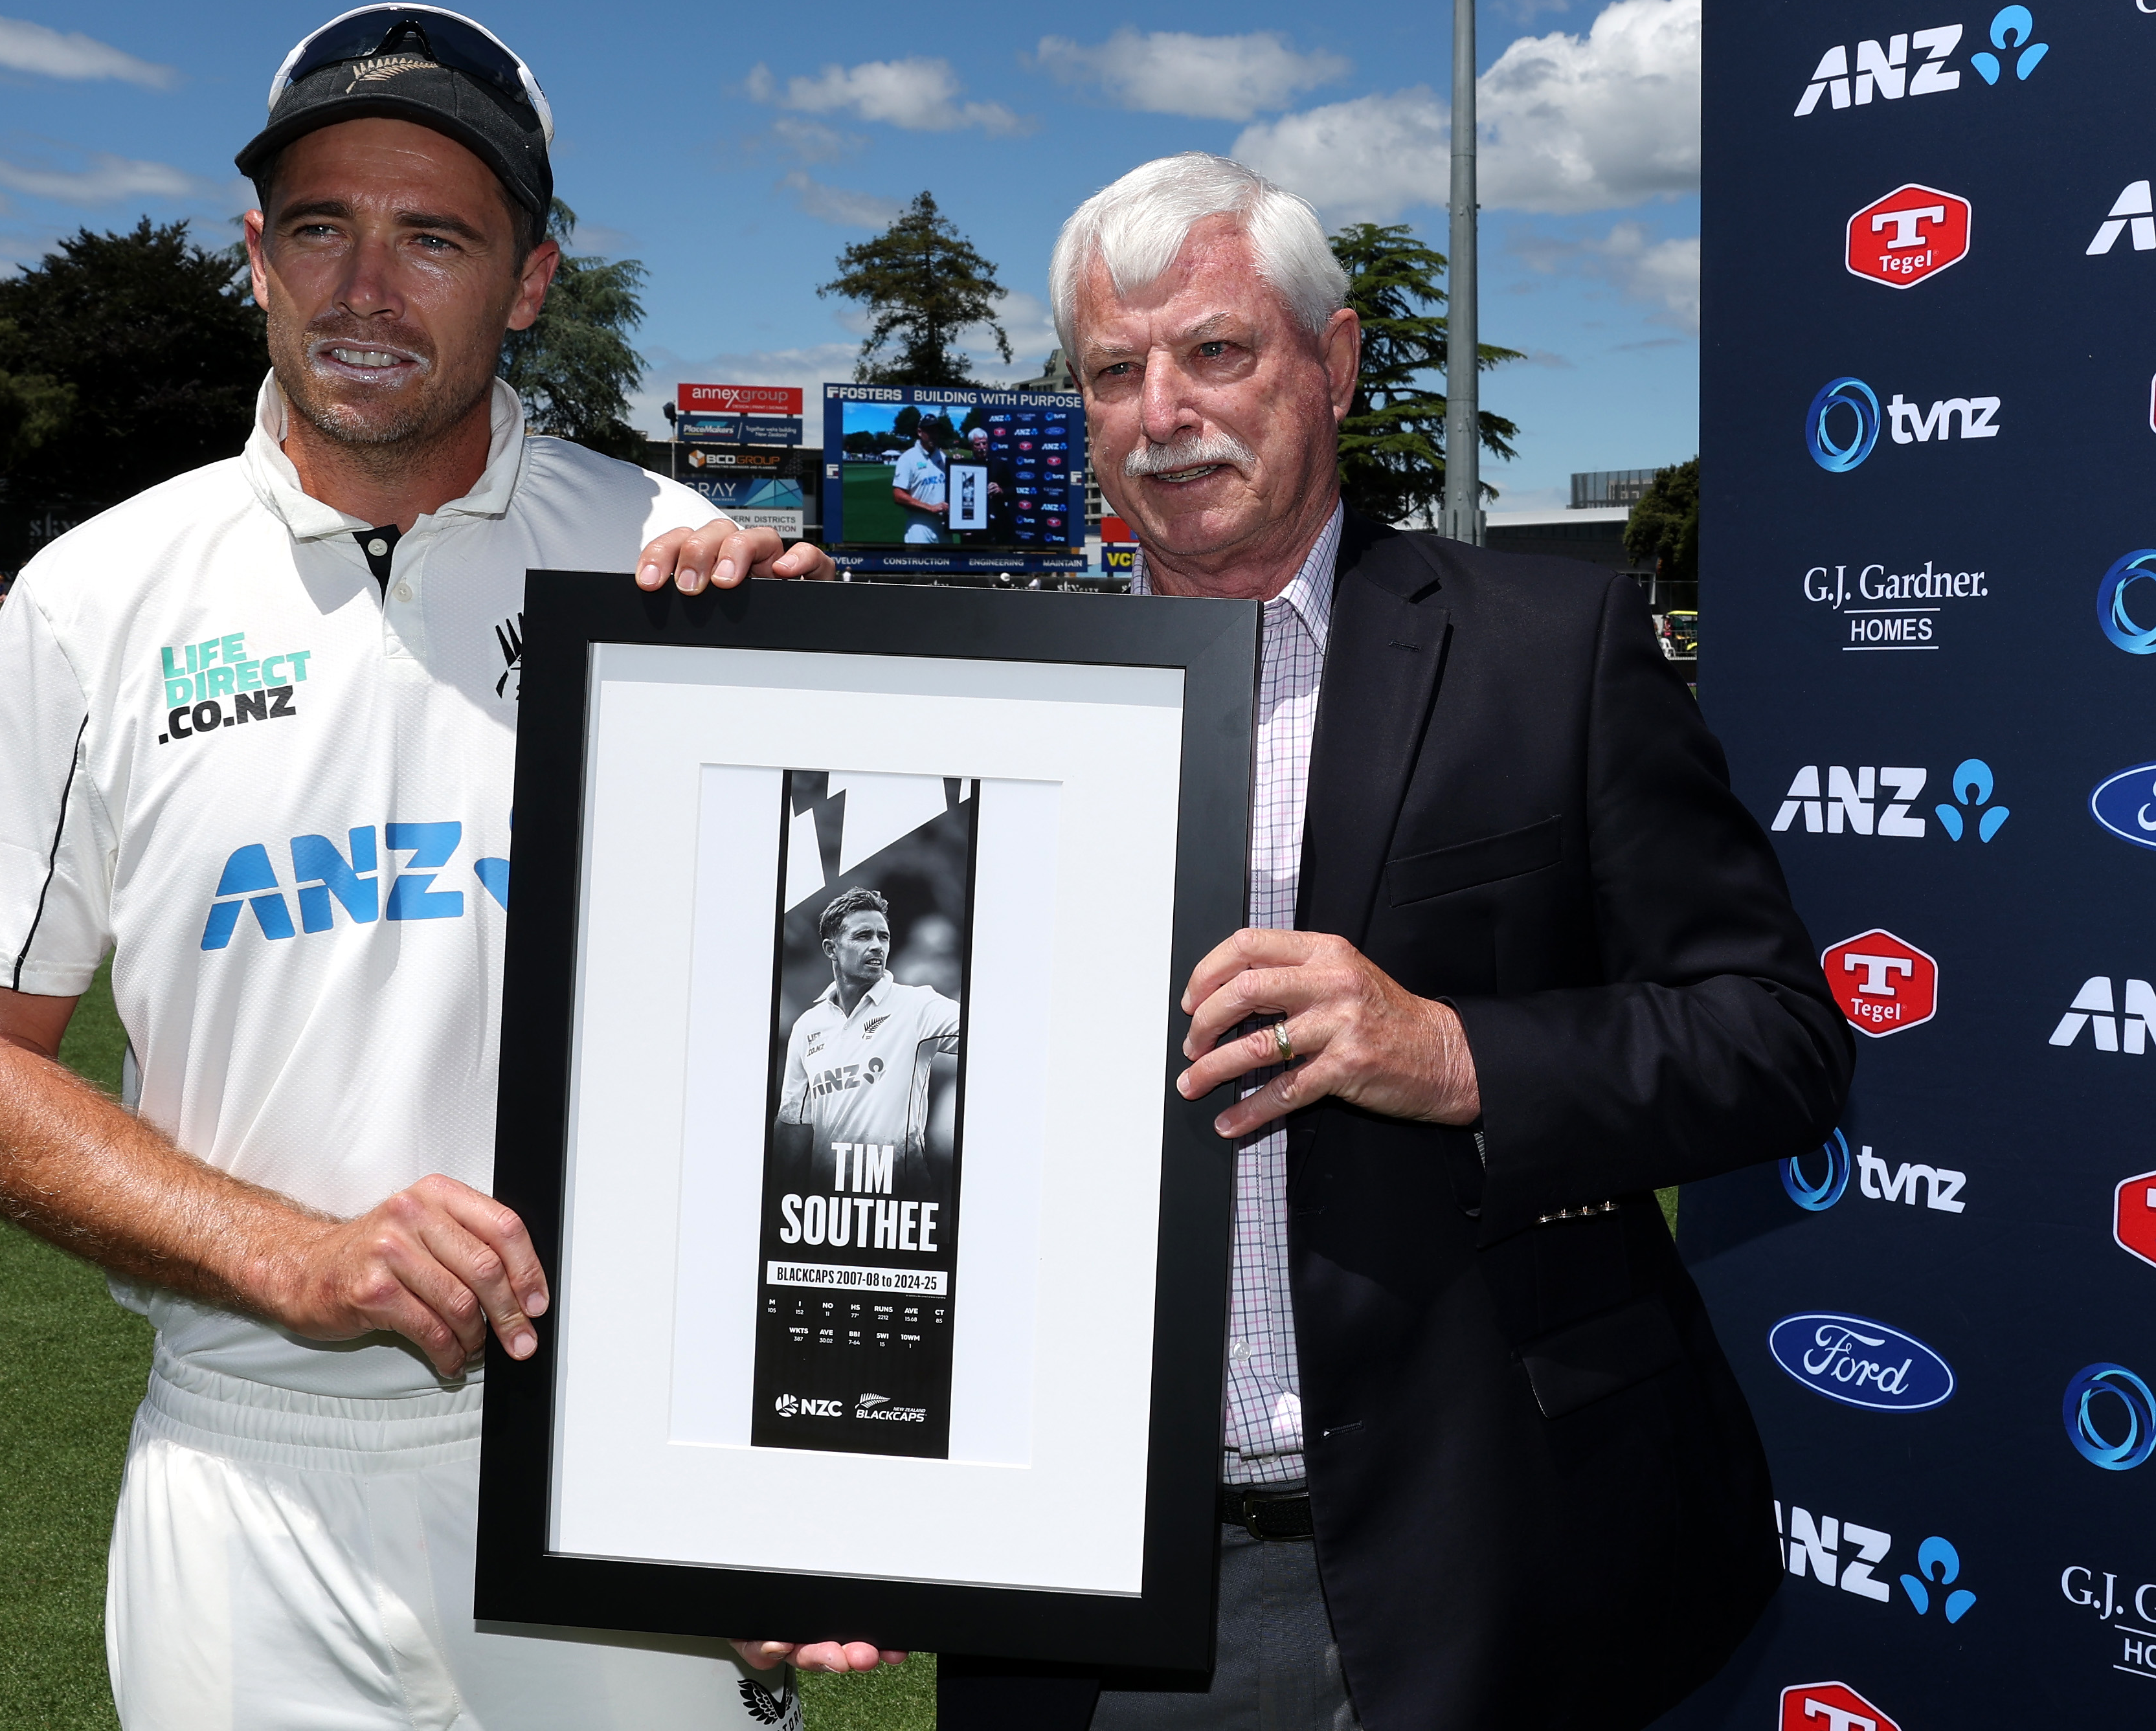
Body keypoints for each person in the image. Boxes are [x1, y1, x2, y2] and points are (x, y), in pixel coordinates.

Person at [742, 153, 1853, 1730]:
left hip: (1488, 1566)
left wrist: (1456, 1051)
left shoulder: (1552, 651)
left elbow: (1780, 1039)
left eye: (1215, 351)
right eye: (1114, 373)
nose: (1162, 412)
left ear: (1329, 365)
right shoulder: (974, 706)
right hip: (1089, 1600)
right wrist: (720, 636)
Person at [0, 3, 825, 1731]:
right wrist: (288, 1252)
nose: (364, 287)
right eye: (319, 227)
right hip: (242, 1472)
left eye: (435, 237)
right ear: (254, 256)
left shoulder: (687, 576)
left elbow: (850, 1031)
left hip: (615, 1463)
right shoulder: (95, 597)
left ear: (530, 280)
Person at [775, 888, 960, 1187]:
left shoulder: (917, 1006)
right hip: (827, 1205)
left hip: (900, 1199)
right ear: (831, 949)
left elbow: (991, 1036)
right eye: (863, 936)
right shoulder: (808, 1026)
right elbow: (794, 1125)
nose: (877, 946)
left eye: (883, 937)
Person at [890, 416, 948, 544]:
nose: (934, 435)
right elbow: (898, 495)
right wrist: (930, 508)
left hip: (944, 525)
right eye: (929, 431)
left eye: (936, 431)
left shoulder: (943, 457)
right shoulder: (908, 458)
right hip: (920, 525)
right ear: (920, 432)